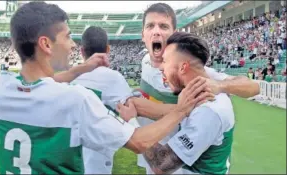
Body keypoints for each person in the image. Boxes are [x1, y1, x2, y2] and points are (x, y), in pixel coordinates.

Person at [0, 2, 212, 174]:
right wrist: (182, 109)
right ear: (46, 44)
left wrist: (80, 69)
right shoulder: (76, 100)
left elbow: (46, 82)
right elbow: (139, 141)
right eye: (67, 36)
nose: (73, 45)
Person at [131, 3, 259, 174]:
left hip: (177, 160)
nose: (156, 31)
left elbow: (254, 87)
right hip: (154, 152)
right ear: (143, 35)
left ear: (174, 32)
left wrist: (221, 85)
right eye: (150, 26)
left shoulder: (193, 71)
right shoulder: (146, 61)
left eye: (163, 26)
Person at [119, 32, 235, 174]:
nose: (161, 67)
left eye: (166, 61)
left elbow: (160, 165)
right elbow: (168, 111)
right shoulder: (196, 97)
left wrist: (131, 121)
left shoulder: (209, 110)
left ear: (182, 67)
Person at [71, 26, 135, 174]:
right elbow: (131, 110)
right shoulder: (113, 78)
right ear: (108, 49)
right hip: (96, 160)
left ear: (82, 51)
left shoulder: (70, 75)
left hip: (70, 156)